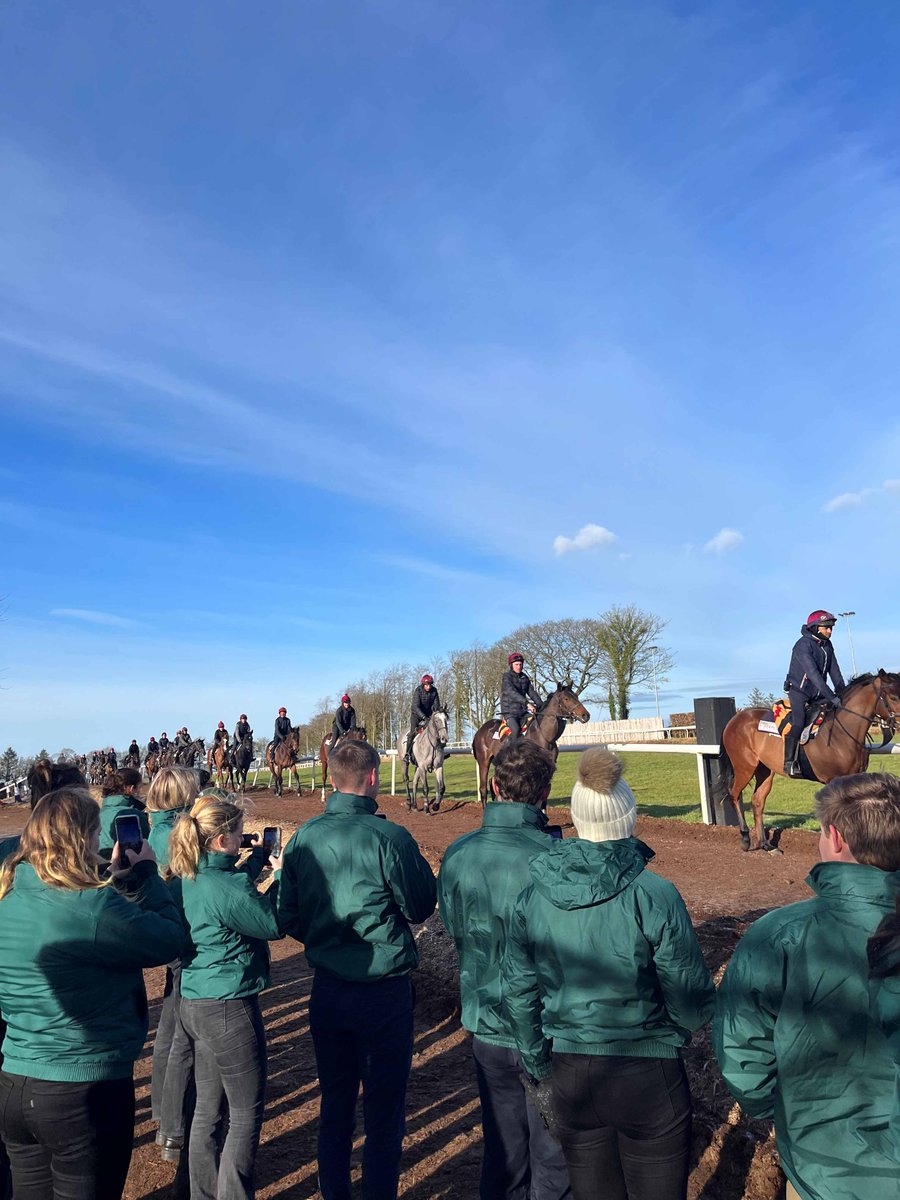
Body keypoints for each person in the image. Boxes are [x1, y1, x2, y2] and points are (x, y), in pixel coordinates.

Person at [502, 748, 714, 1200]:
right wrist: (672, 1035)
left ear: (576, 817)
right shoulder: (655, 893)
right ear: (629, 816)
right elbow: (692, 999)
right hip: (649, 1075)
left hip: (572, 1073)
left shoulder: (532, 896)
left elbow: (519, 992)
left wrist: (541, 1065)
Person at [714, 772, 900, 1200]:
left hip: (823, 1171)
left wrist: (771, 1106)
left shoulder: (778, 935)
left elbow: (743, 1050)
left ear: (834, 838)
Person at [0, 786, 183, 1200]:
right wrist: (146, 878)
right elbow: (169, 940)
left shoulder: (7, 898)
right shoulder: (92, 906)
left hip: (14, 1080)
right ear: (82, 837)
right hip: (81, 1089)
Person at [278, 739, 437, 1200]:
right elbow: (421, 905)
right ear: (372, 778)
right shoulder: (391, 838)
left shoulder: (304, 837)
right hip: (383, 991)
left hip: (328, 988)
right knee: (385, 1113)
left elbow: (287, 915)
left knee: (335, 1106)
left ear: (330, 779)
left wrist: (327, 939)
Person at [438, 739, 571, 1200]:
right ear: (545, 793)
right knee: (554, 1159)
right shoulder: (558, 859)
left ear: (492, 785)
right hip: (548, 1032)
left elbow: (454, 928)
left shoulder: (457, 853)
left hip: (487, 1028)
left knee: (503, 1153)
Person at [169, 793, 282, 1200]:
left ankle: (203, 1193)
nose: (242, 839)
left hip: (194, 1002)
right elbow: (270, 922)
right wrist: (282, 877)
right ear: (220, 840)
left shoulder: (190, 874)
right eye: (237, 834)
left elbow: (232, 885)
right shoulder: (225, 885)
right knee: (245, 1114)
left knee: (207, 1112)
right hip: (230, 1006)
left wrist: (257, 861)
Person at [782, 609, 846, 777]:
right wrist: (832, 696)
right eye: (827, 627)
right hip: (800, 691)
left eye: (831, 627)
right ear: (816, 627)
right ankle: (789, 762)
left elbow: (835, 673)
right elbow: (814, 676)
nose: (830, 631)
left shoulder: (827, 646)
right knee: (799, 721)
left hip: (819, 692)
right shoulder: (802, 645)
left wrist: (843, 694)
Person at [98, 767, 150, 854]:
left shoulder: (97, 813)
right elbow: (145, 852)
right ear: (131, 789)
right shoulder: (135, 816)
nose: (142, 792)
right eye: (140, 787)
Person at [501, 653, 542, 742]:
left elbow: (532, 692)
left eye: (520, 664)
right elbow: (511, 692)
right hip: (509, 711)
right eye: (516, 664)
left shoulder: (525, 677)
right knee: (516, 730)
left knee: (536, 725)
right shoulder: (507, 677)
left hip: (522, 711)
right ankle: (511, 753)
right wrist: (527, 704)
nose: (519, 666)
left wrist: (541, 705)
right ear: (511, 665)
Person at [405, 674, 441, 762]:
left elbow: (436, 705)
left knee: (438, 730)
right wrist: (424, 717)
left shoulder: (434, 691)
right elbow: (415, 706)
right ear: (423, 685)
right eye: (426, 685)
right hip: (416, 715)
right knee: (413, 732)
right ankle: (407, 754)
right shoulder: (418, 691)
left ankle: (440, 752)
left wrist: (435, 714)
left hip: (428, 715)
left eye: (429, 685)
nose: (428, 687)